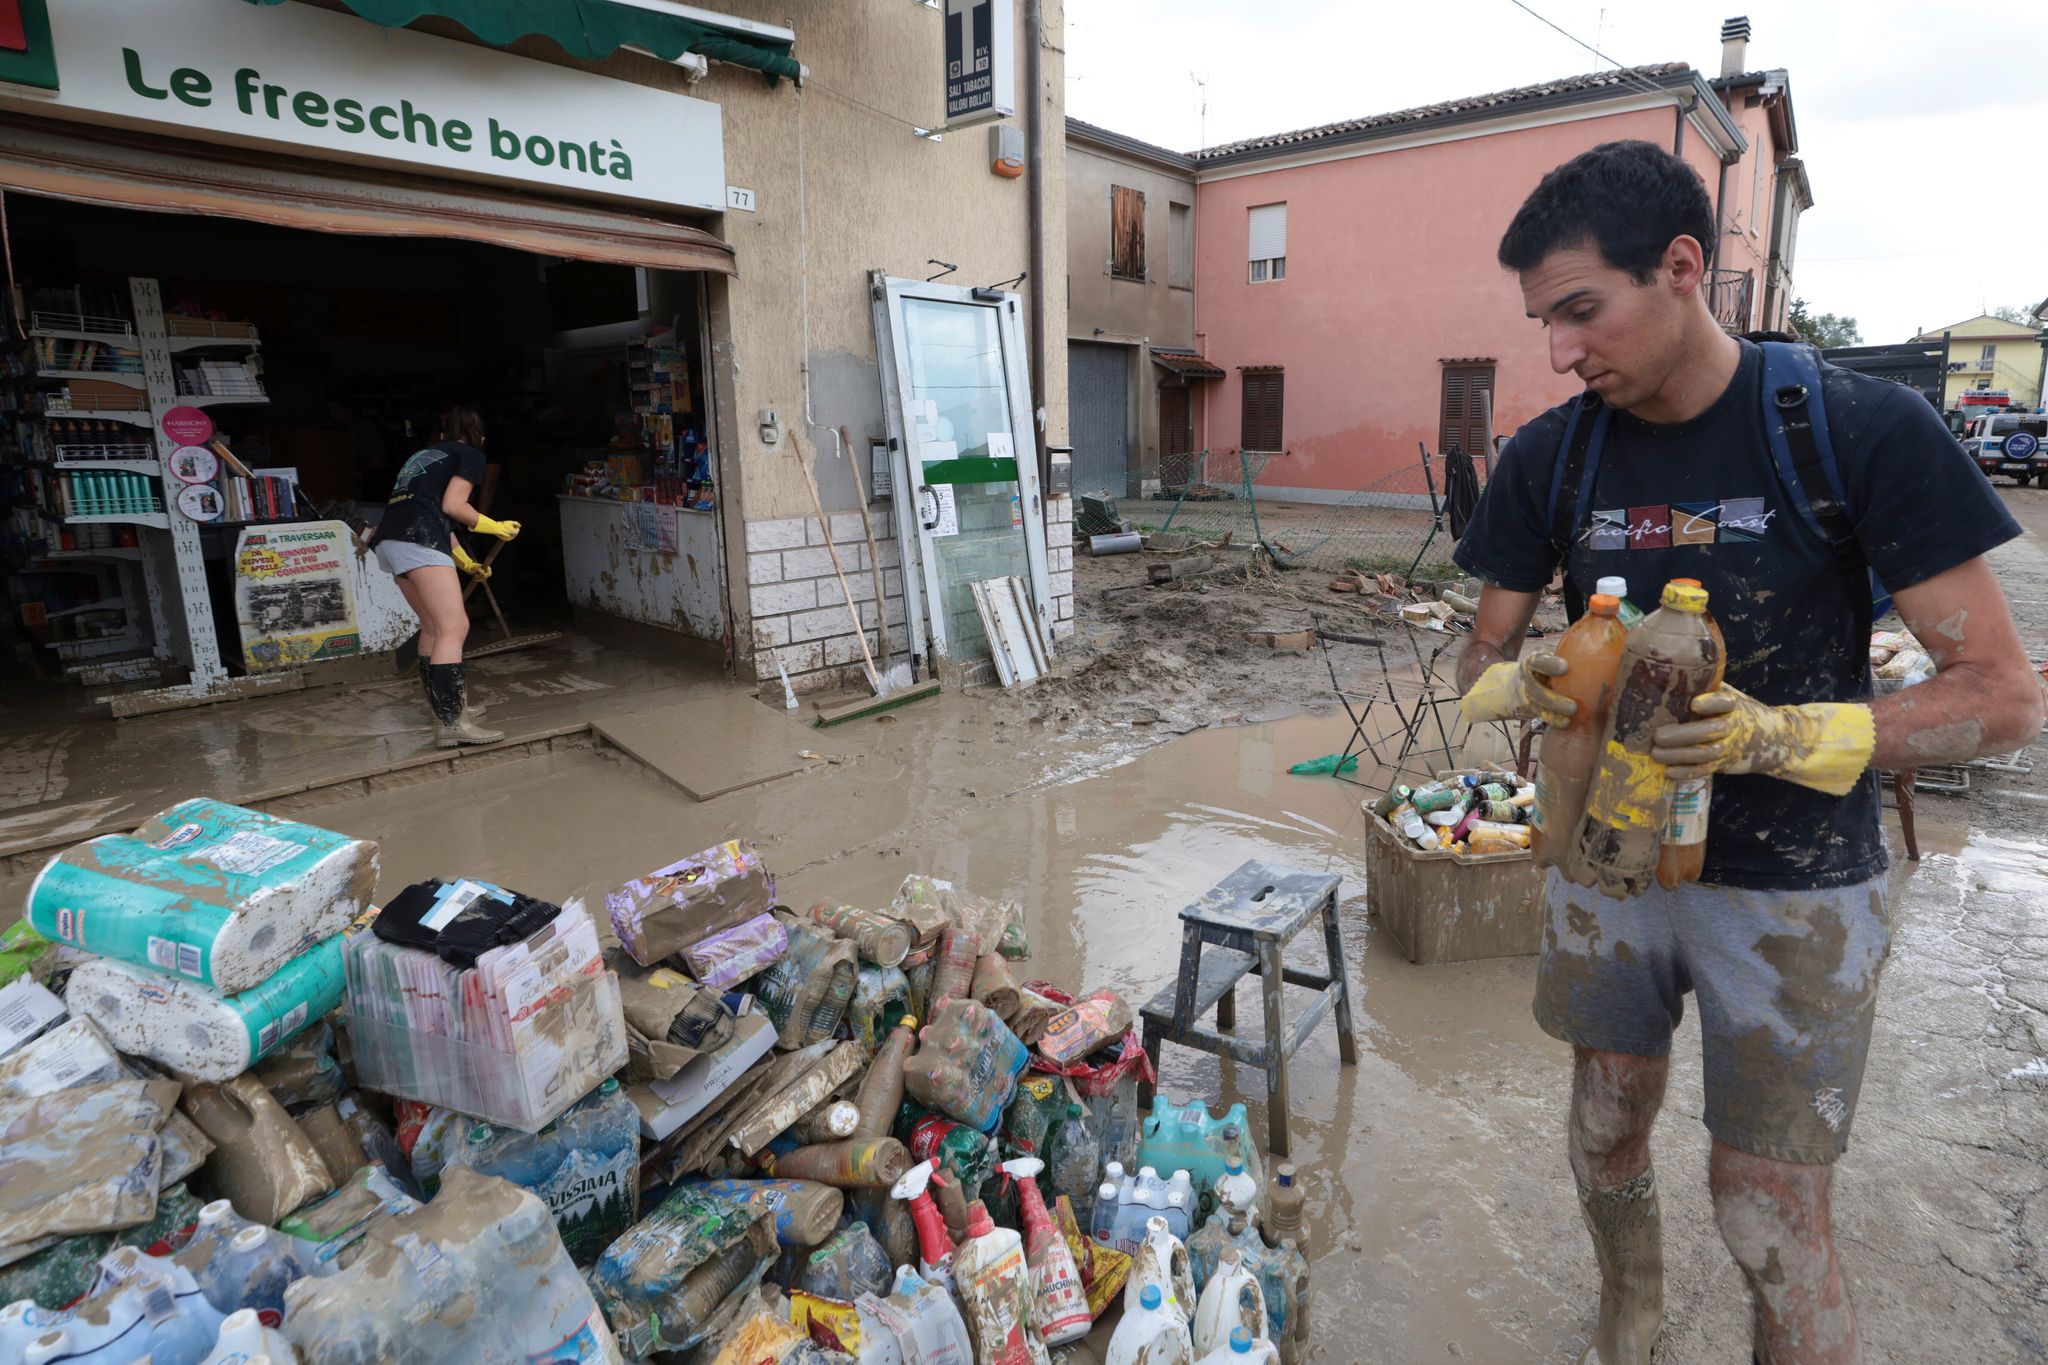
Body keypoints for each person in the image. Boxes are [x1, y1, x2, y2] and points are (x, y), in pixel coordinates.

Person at [1452, 140, 2043, 1364]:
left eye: (1579, 311)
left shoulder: (1853, 431)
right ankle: (1629, 1311)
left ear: (1678, 268)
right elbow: (1476, 660)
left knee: (1763, 1209)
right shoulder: (1548, 458)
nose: (1557, 350)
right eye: (1540, 321)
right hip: (1606, 864)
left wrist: (1779, 734)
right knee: (1603, 1124)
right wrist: (1519, 680)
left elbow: (2000, 697)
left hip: (1791, 886)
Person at [370, 405, 521, 747]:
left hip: (392, 540)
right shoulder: (470, 454)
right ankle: (452, 722)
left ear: (441, 435)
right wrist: (495, 526)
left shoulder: (424, 456)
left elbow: (436, 515)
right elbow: (455, 506)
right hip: (418, 540)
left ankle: (446, 707)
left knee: (433, 628)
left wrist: (467, 563)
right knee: (455, 628)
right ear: (479, 438)